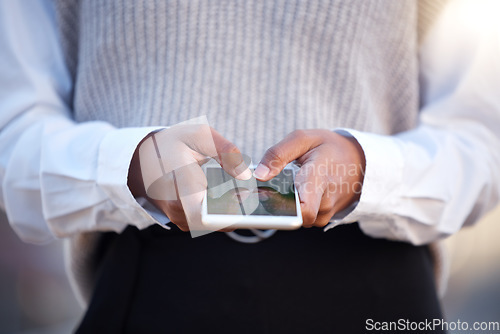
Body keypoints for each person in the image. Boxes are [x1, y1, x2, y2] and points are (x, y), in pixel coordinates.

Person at [1, 0, 499, 332]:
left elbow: (481, 142)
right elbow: (14, 135)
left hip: (375, 288)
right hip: (153, 289)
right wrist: (131, 166)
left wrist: (365, 169)